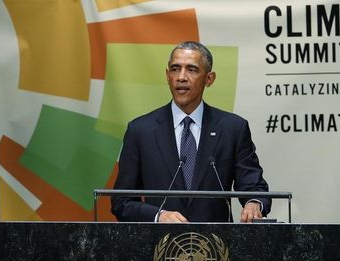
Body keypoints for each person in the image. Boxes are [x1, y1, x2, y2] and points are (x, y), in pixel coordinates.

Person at [112, 41, 270, 223]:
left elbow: (254, 186)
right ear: (167, 75)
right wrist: (158, 216)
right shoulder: (140, 131)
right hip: (159, 246)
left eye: (192, 70)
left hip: (216, 246)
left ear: (209, 79)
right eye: (175, 69)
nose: (181, 77)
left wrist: (253, 203)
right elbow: (121, 201)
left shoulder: (233, 128)